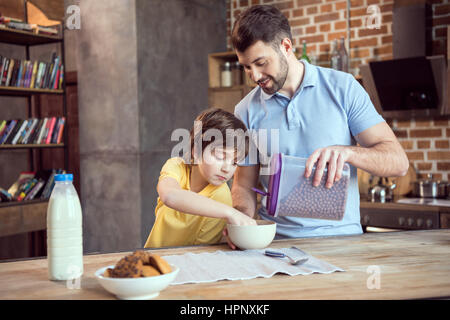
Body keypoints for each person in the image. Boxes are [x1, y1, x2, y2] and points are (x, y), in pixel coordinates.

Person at [225, 5, 409, 248]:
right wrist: (241, 220)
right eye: (247, 66)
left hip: (343, 243)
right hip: (275, 246)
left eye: (261, 63)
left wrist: (348, 153)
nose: (255, 75)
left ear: (286, 47)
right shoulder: (245, 110)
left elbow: (398, 163)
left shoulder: (343, 88)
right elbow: (243, 184)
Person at [144, 108, 256, 248]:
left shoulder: (221, 196)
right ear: (196, 151)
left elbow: (201, 253)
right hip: (151, 259)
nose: (227, 168)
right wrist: (230, 212)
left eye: (234, 162)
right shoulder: (177, 167)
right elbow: (170, 196)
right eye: (221, 156)